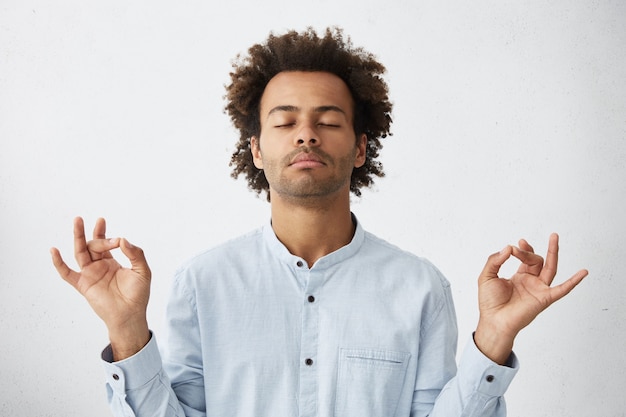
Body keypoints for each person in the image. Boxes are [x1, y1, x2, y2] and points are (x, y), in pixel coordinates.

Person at [50, 27, 588, 417]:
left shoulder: (420, 287)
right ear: (257, 150)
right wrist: (125, 331)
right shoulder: (202, 283)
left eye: (327, 121)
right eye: (285, 121)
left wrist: (493, 337)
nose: (306, 134)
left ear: (359, 148)